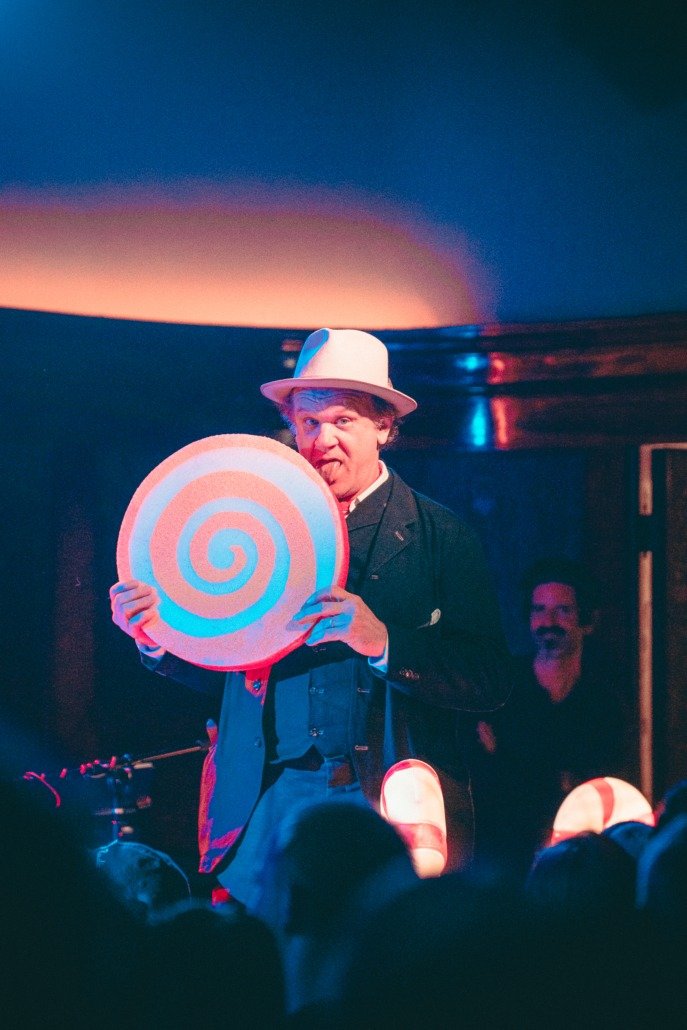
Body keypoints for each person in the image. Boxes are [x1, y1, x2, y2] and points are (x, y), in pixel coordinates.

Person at [109, 327, 511, 910]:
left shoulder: (440, 536)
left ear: (383, 426)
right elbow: (226, 671)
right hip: (267, 801)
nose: (323, 440)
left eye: (343, 421)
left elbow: (489, 679)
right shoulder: (254, 523)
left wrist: (384, 643)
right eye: (309, 423)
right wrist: (158, 637)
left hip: (384, 801)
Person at [466, 556, 626, 879]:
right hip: (504, 863)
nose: (548, 620)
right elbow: (489, 789)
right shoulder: (502, 689)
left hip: (579, 867)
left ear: (587, 621)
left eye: (563, 610)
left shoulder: (603, 702)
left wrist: (509, 759)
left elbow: (597, 786)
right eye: (539, 609)